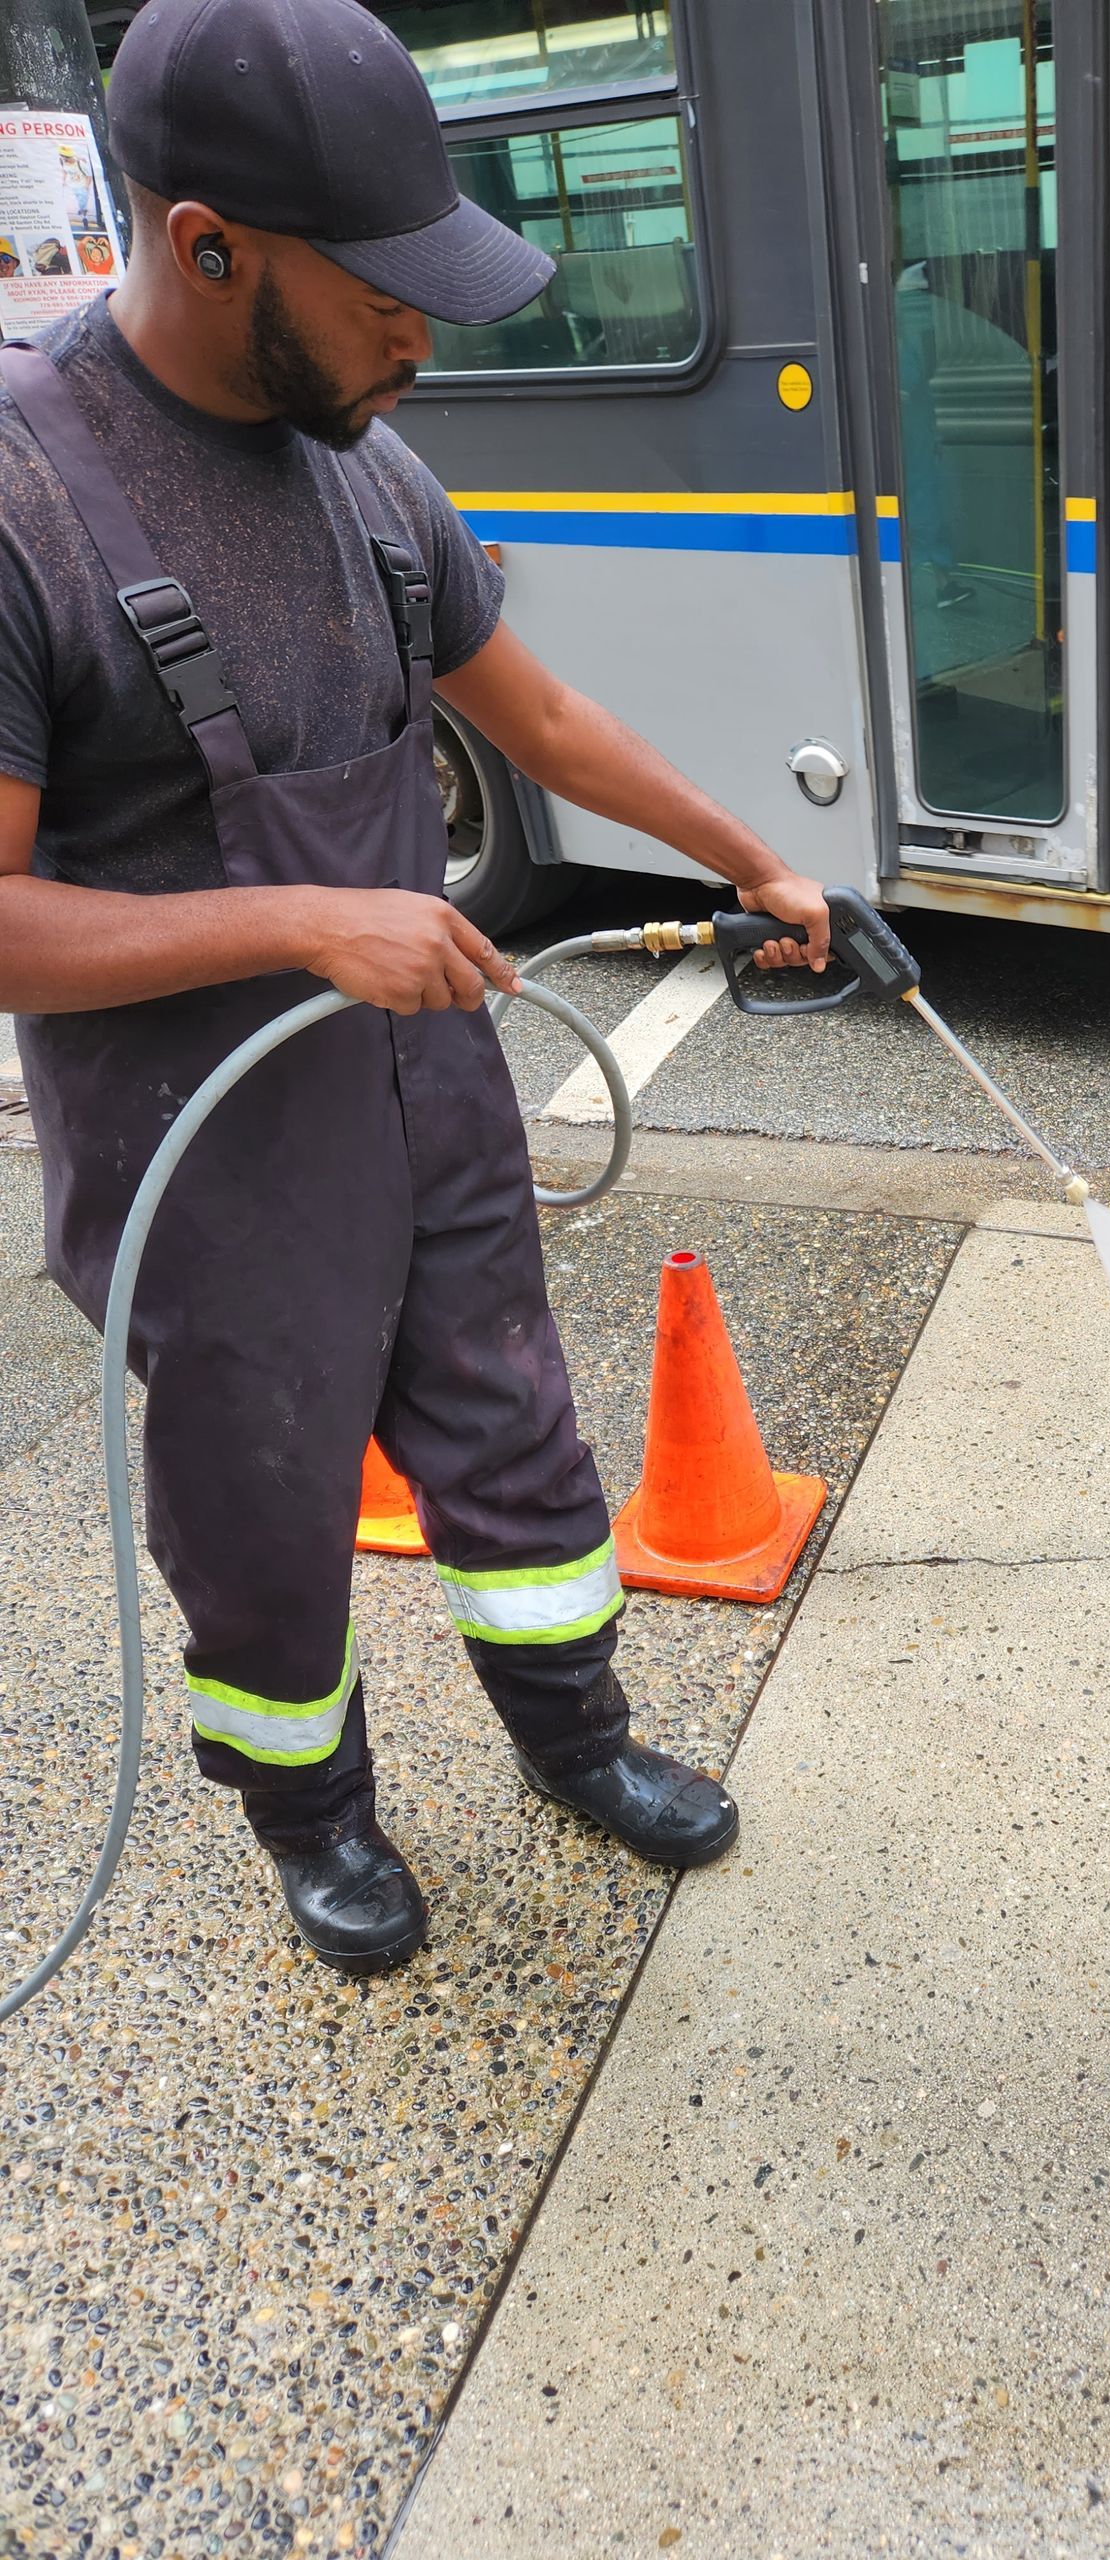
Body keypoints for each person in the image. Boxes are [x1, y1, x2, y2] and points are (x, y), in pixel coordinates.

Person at [0, 0, 833, 1978]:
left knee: (516, 1442)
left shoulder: (369, 473)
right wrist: (300, 923)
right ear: (209, 245)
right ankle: (321, 1818)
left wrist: (754, 854)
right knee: (263, 1514)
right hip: (207, 1163)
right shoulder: (30, 505)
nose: (421, 337)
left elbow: (531, 709)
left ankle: (582, 1744)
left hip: (428, 1099)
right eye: (382, 293)